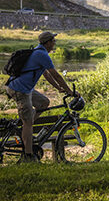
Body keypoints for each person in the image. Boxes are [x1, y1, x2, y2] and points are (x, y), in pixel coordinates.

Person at [4, 32, 75, 163]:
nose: (54, 43)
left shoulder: (38, 52)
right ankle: (29, 156)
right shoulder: (42, 55)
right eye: (53, 41)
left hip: (25, 88)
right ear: (47, 43)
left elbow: (47, 74)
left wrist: (58, 88)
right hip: (19, 89)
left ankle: (26, 128)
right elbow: (56, 75)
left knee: (44, 102)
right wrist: (69, 91)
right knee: (28, 122)